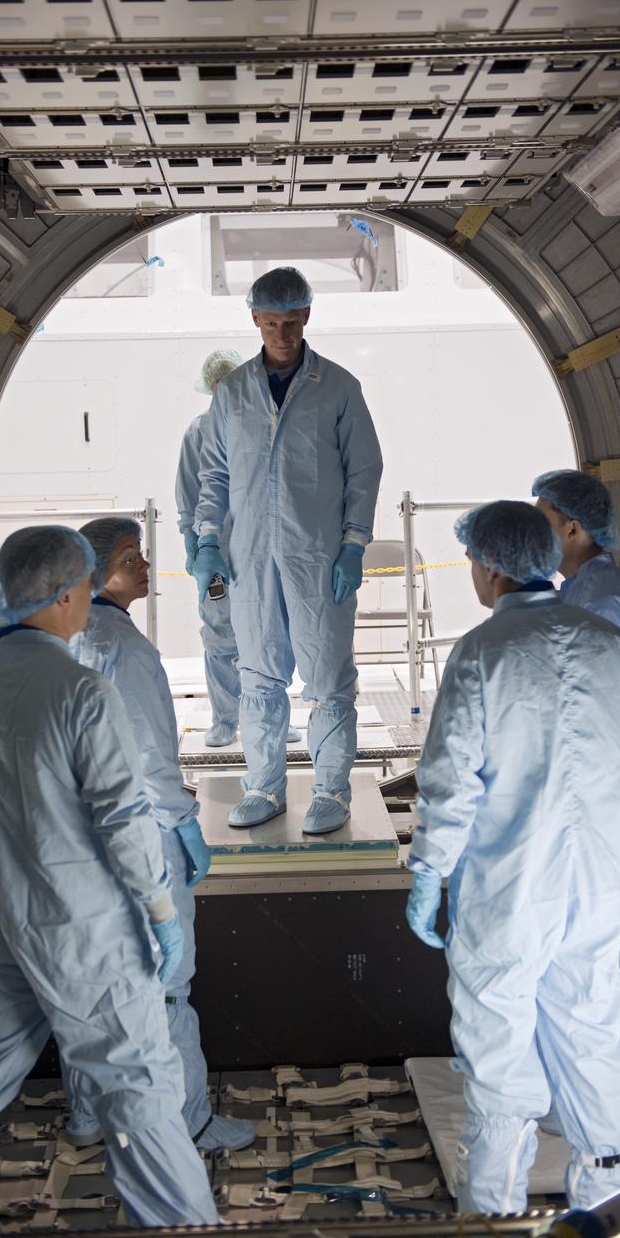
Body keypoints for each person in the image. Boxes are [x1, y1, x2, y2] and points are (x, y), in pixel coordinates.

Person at [0, 526, 218, 1237]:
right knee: (136, 1088)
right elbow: (123, 818)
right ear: (63, 595)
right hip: (83, 929)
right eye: (83, 589)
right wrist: (161, 912)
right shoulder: (81, 690)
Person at [406, 501, 620, 1214]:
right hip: (599, 881)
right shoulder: (605, 641)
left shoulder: (483, 653)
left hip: (511, 886)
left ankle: (493, 1216)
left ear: (486, 568)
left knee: (498, 1036)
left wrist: (428, 872)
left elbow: (449, 782)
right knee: (587, 1021)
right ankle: (603, 1193)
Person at [68, 516, 255, 1153]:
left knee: (94, 986)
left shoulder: (62, 638)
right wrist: (182, 823)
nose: (145, 566)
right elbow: (148, 755)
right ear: (93, 572)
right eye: (130, 558)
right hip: (138, 836)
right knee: (169, 985)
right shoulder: (123, 647)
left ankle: (90, 1118)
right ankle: (190, 1123)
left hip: (78, 841)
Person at [193, 267, 383, 834]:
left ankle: (330, 791)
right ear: (254, 320)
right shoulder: (232, 393)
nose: (282, 333)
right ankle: (264, 787)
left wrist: (353, 545)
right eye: (272, 322)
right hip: (250, 560)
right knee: (258, 676)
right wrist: (206, 540)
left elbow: (364, 471)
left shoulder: (339, 387)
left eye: (292, 322)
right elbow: (216, 475)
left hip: (318, 557)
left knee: (327, 680)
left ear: (307, 318)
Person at [533, 469, 620, 1128]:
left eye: (543, 521)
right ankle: (587, 1087)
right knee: (584, 942)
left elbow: (599, 719)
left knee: (613, 946)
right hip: (590, 801)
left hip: (604, 805)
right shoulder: (581, 593)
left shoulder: (601, 602)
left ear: (573, 528)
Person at [176, 349, 300, 749]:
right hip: (217, 553)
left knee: (269, 633)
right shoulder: (198, 433)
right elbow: (188, 496)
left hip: (260, 551)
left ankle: (270, 717)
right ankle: (226, 719)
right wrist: (195, 546)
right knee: (219, 635)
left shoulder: (263, 428)